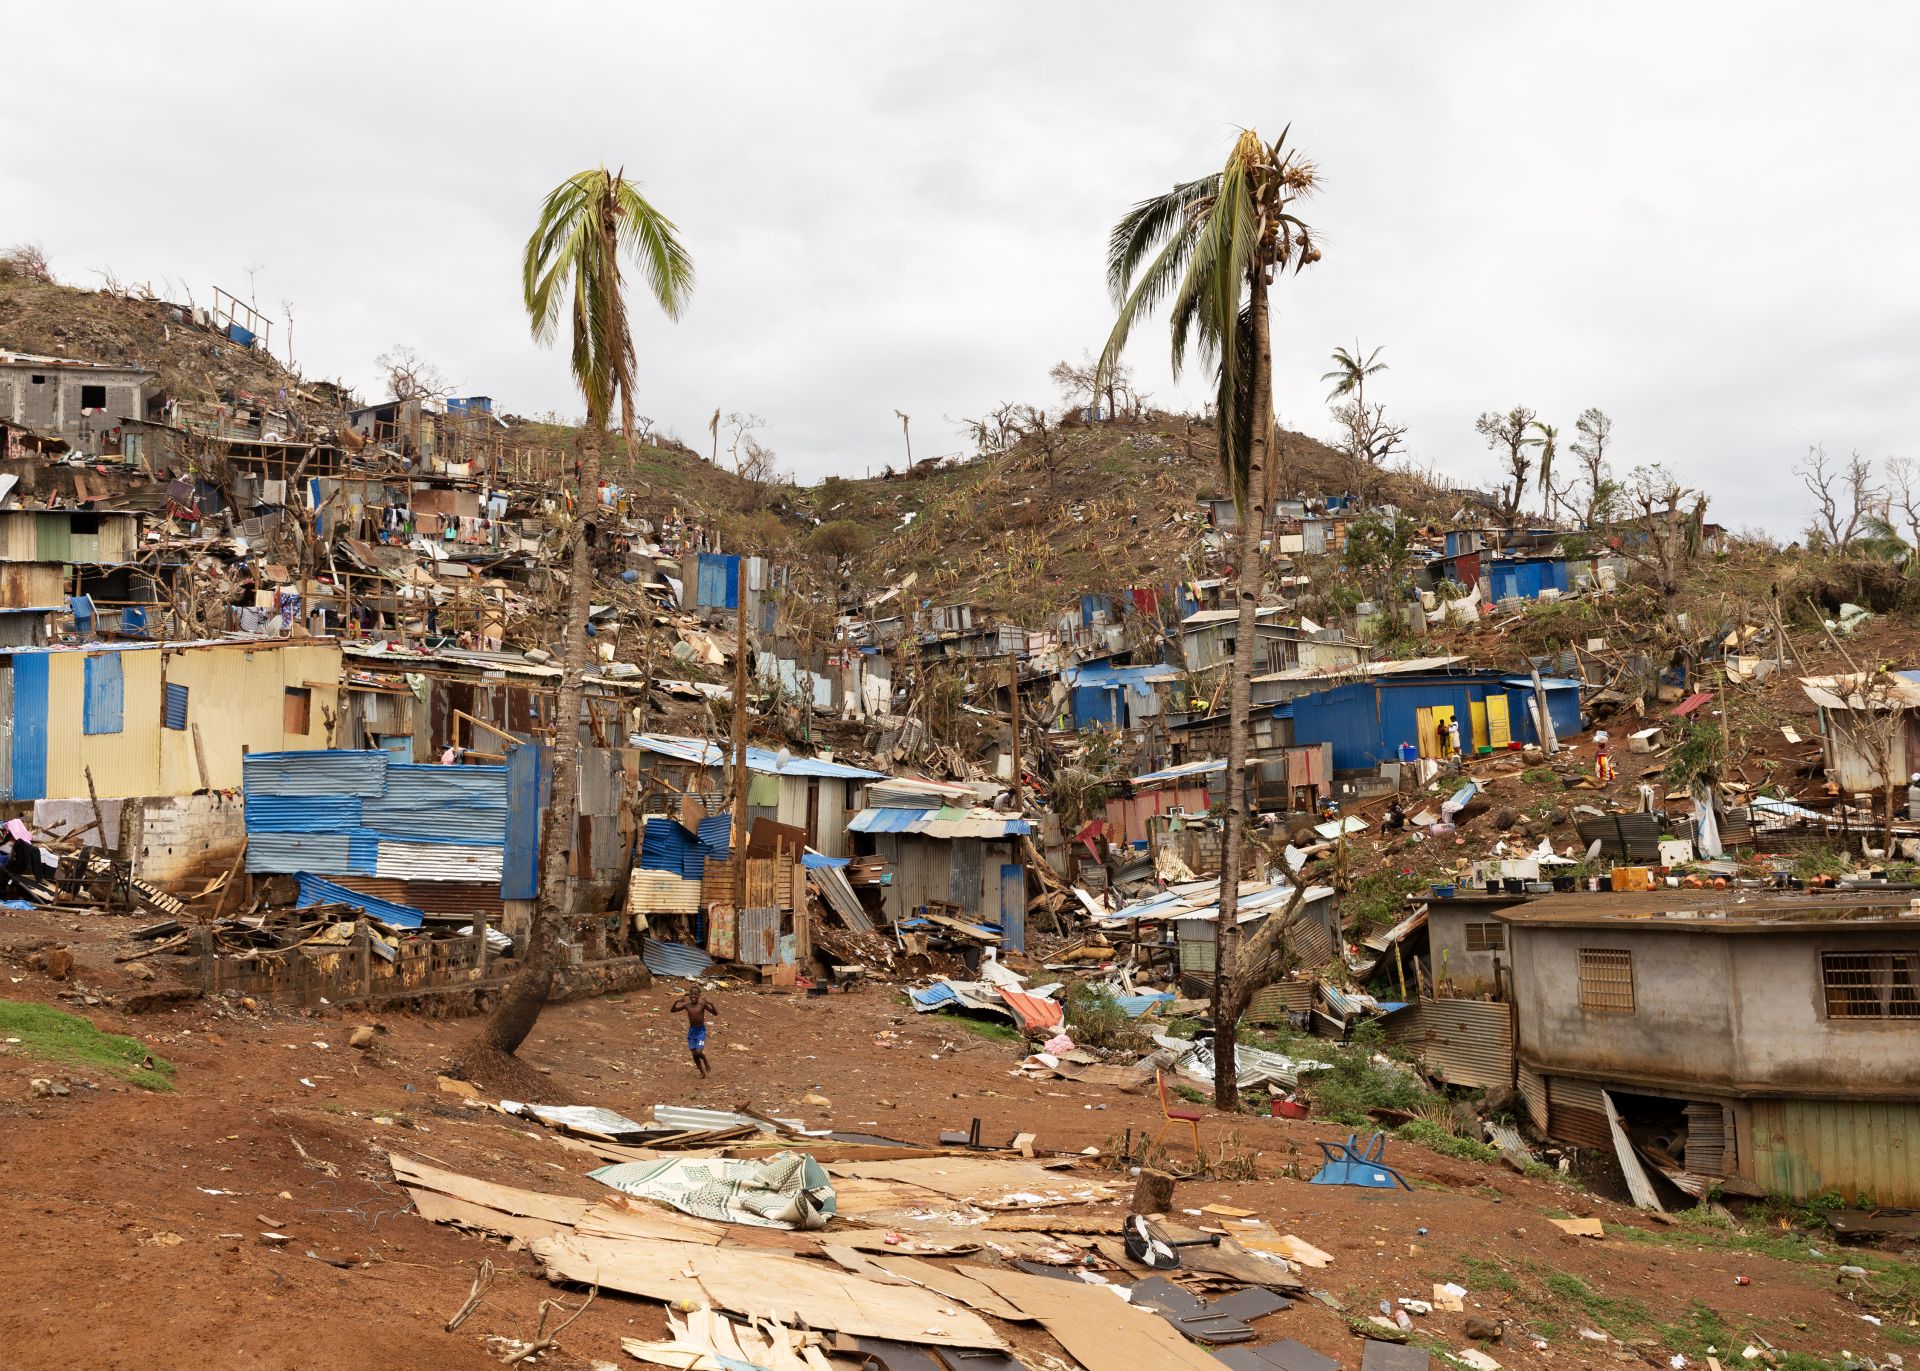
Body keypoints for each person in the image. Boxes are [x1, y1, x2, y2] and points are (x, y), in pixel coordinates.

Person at [671, 986, 719, 1077]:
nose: (693, 996)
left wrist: (711, 1004)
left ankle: (705, 1060)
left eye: (696, 994)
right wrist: (676, 1002)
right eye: (691, 994)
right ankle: (702, 1073)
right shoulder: (687, 1005)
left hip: (701, 1030)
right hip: (692, 1031)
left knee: (699, 1052)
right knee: (694, 1053)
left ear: (699, 995)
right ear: (689, 995)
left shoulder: (702, 1004)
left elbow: (715, 1013)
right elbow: (673, 1010)